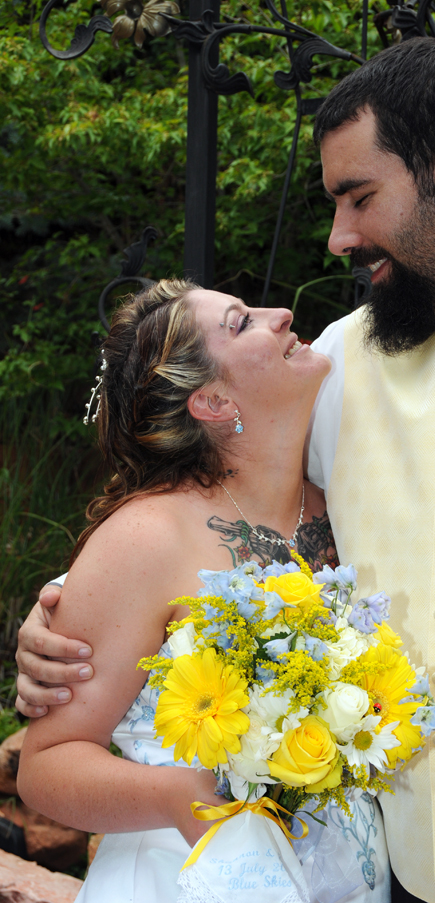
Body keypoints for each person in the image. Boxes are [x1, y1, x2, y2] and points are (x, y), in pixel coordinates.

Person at [16, 36, 435, 902]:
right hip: (393, 876)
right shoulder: (334, 366)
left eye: (360, 197)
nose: (337, 238)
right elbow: (214, 504)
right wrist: (56, 622)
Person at [16, 279, 391, 903]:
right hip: (189, 877)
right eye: (242, 322)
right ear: (213, 401)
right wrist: (177, 797)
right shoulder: (146, 536)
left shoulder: (346, 508)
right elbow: (46, 764)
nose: (283, 315)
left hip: (349, 881)